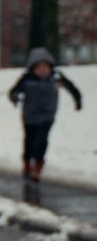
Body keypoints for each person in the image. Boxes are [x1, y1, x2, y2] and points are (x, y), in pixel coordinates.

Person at [8, 47, 82, 183]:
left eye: (45, 67)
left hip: (47, 116)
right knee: (30, 141)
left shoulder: (56, 77)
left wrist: (78, 100)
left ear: (50, 67)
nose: (43, 71)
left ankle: (37, 168)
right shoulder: (27, 79)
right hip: (30, 117)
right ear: (33, 68)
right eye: (39, 68)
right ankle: (27, 164)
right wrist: (15, 98)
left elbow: (72, 88)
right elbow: (14, 91)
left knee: (42, 141)